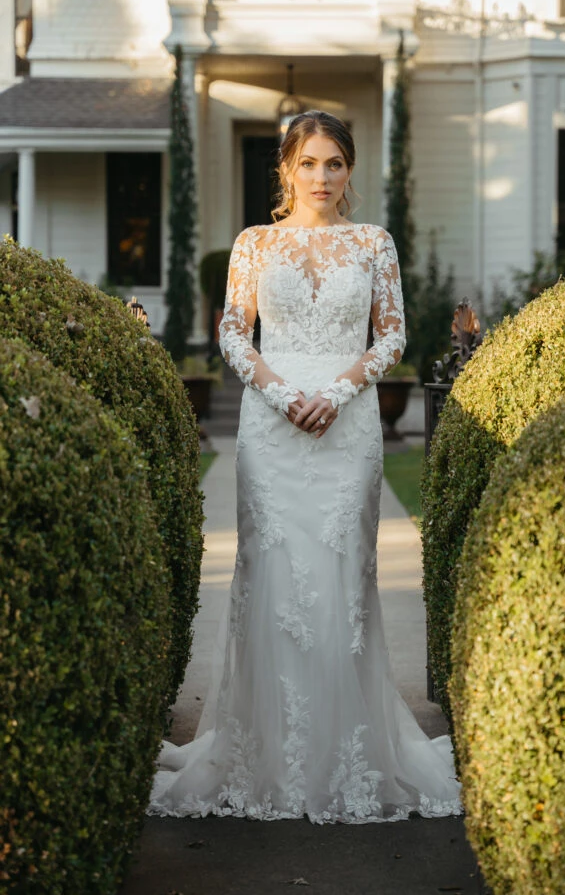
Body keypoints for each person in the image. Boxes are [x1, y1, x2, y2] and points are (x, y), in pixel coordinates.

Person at [148, 110, 462, 823]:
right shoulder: (254, 244)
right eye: (309, 163)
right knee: (273, 578)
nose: (321, 178)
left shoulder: (372, 244)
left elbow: (392, 335)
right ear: (286, 168)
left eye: (335, 164)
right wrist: (284, 393)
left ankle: (349, 752)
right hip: (273, 421)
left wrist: (343, 390)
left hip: (348, 427)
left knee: (342, 578)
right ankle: (263, 754)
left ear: (349, 172)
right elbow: (232, 330)